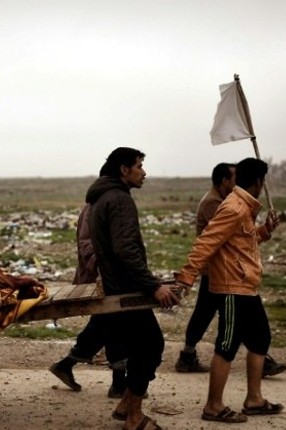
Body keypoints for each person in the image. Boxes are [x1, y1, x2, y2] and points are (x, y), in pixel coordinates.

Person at [173, 157, 284, 424]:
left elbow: (243, 240)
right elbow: (206, 242)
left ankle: (254, 400)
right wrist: (186, 277)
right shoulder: (234, 208)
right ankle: (213, 406)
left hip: (247, 287)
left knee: (260, 338)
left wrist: (266, 230)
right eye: (263, 181)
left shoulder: (244, 208)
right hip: (232, 288)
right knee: (227, 344)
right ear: (258, 182)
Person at [85, 147, 179, 430]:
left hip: (117, 285)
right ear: (123, 170)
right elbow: (125, 249)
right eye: (139, 165)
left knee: (141, 347)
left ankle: (126, 404)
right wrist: (153, 286)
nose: (144, 171)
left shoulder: (102, 197)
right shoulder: (119, 199)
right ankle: (134, 417)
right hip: (126, 290)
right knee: (151, 346)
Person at [49, 204, 131, 399]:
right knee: (112, 323)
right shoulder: (97, 207)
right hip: (102, 280)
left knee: (106, 324)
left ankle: (66, 365)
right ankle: (118, 384)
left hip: (109, 279)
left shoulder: (105, 204)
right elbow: (88, 245)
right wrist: (106, 270)